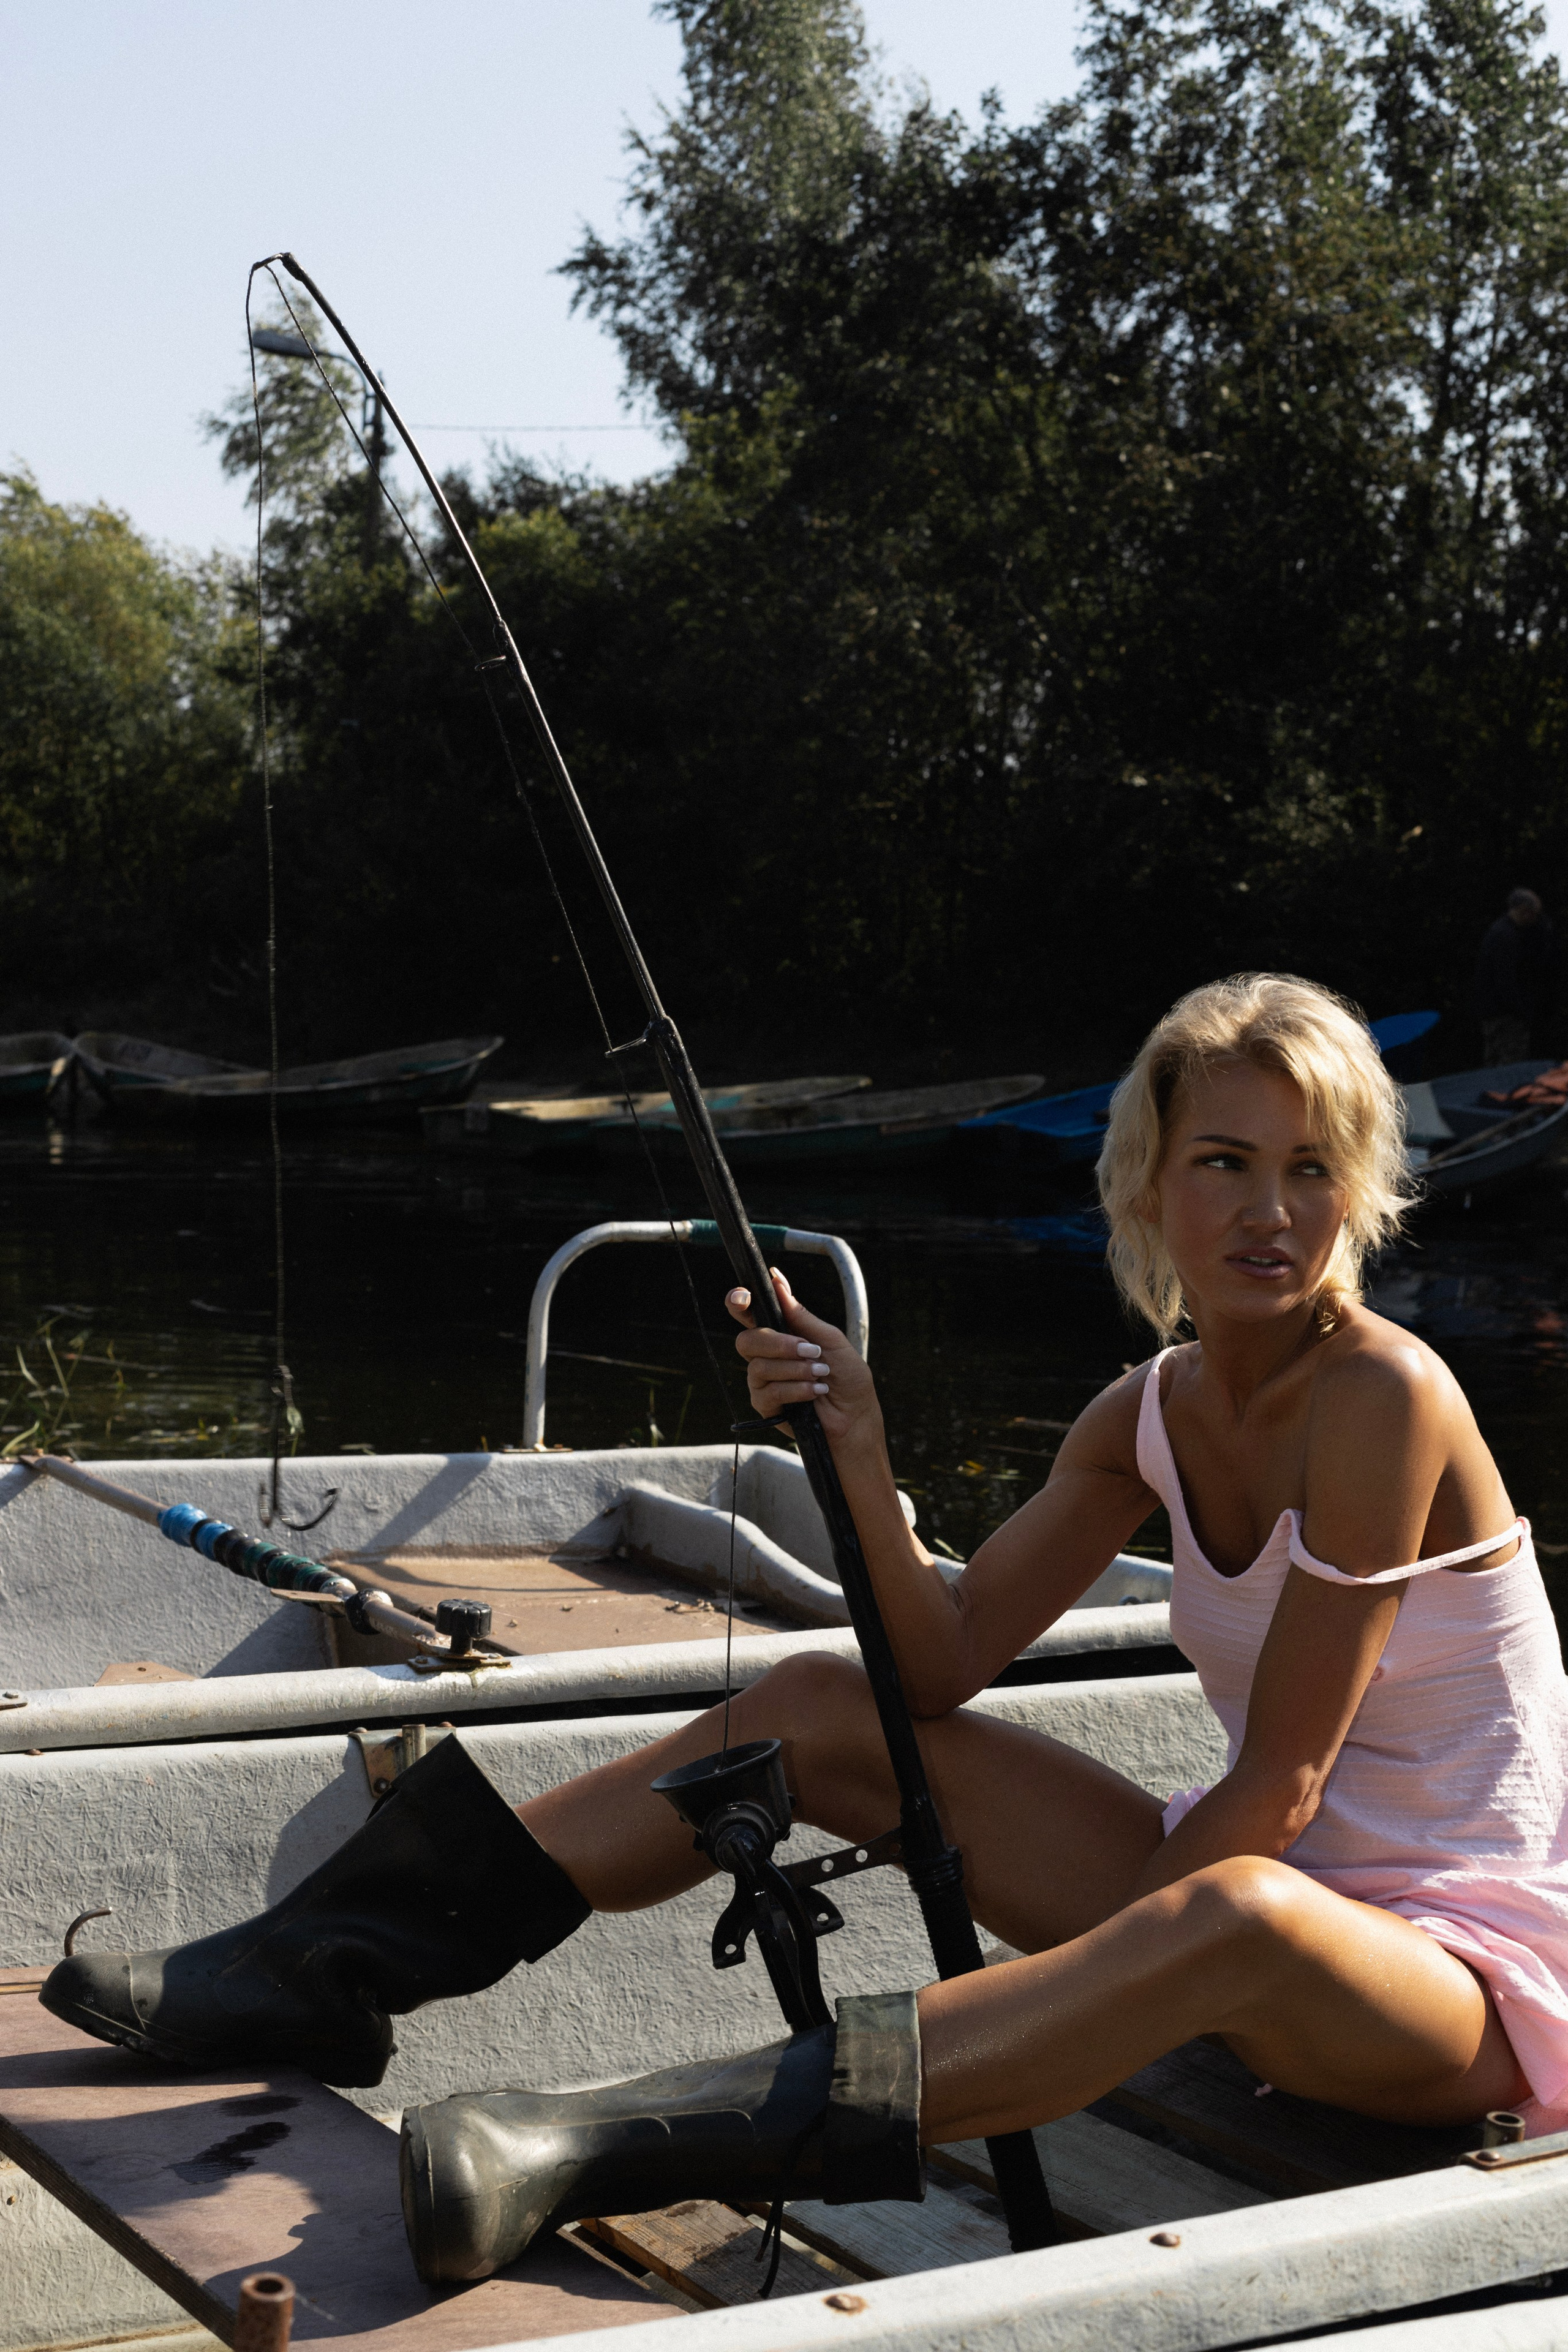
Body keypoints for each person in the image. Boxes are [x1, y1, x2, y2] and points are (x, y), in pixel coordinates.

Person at [43, 974, 1568, 2288]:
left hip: (1456, 1979)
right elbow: (936, 1666)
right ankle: (322, 1962)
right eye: (1222, 1161)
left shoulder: (1382, 1394)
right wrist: (854, 1434)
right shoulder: (1145, 1411)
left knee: (1232, 1907)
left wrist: (1106, 1990)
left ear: (1357, 1187)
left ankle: (588, 2139)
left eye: (1309, 1167)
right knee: (817, 1705)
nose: (1267, 1211)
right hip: (1243, 1897)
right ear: (1148, 1183)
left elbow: (1280, 1789)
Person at [1474, 887, 1555, 1065]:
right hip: (1505, 1016)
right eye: (1533, 914)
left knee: (1494, 1063)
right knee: (1509, 1064)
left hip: (1495, 1012)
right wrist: (1521, 1010)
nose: (1535, 919)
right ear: (1523, 910)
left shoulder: (1502, 931)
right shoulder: (1506, 937)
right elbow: (1505, 980)